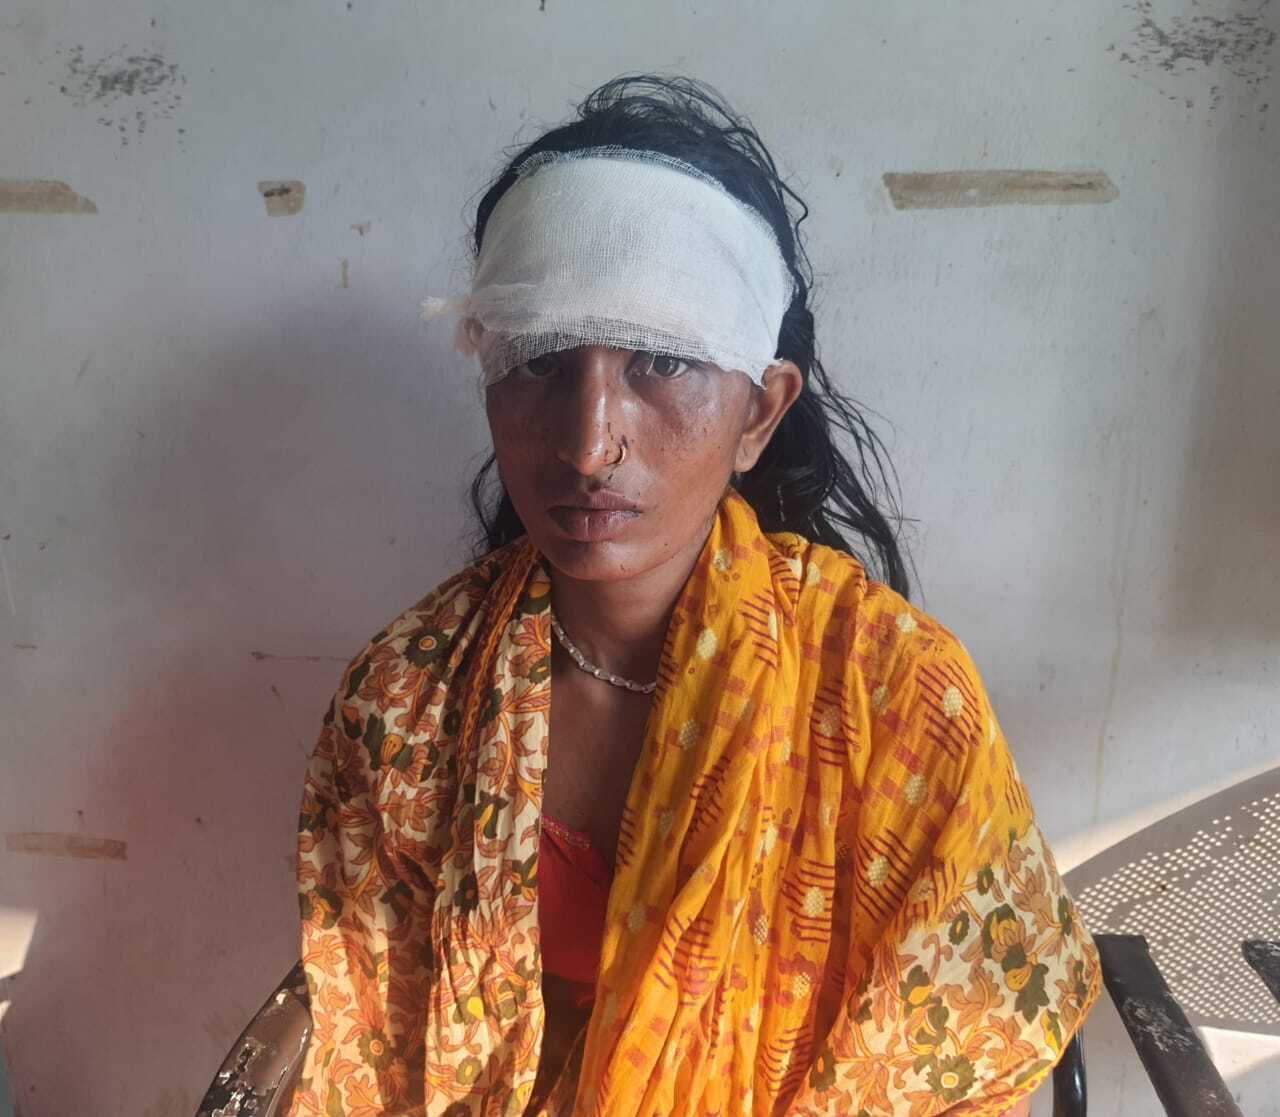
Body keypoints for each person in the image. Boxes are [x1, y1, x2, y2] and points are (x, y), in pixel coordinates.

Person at [283, 75, 1100, 1117]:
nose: (589, 443)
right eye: (540, 361)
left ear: (758, 412)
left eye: (662, 362)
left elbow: (965, 1061)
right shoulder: (406, 706)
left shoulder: (894, 702)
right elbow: (375, 1054)